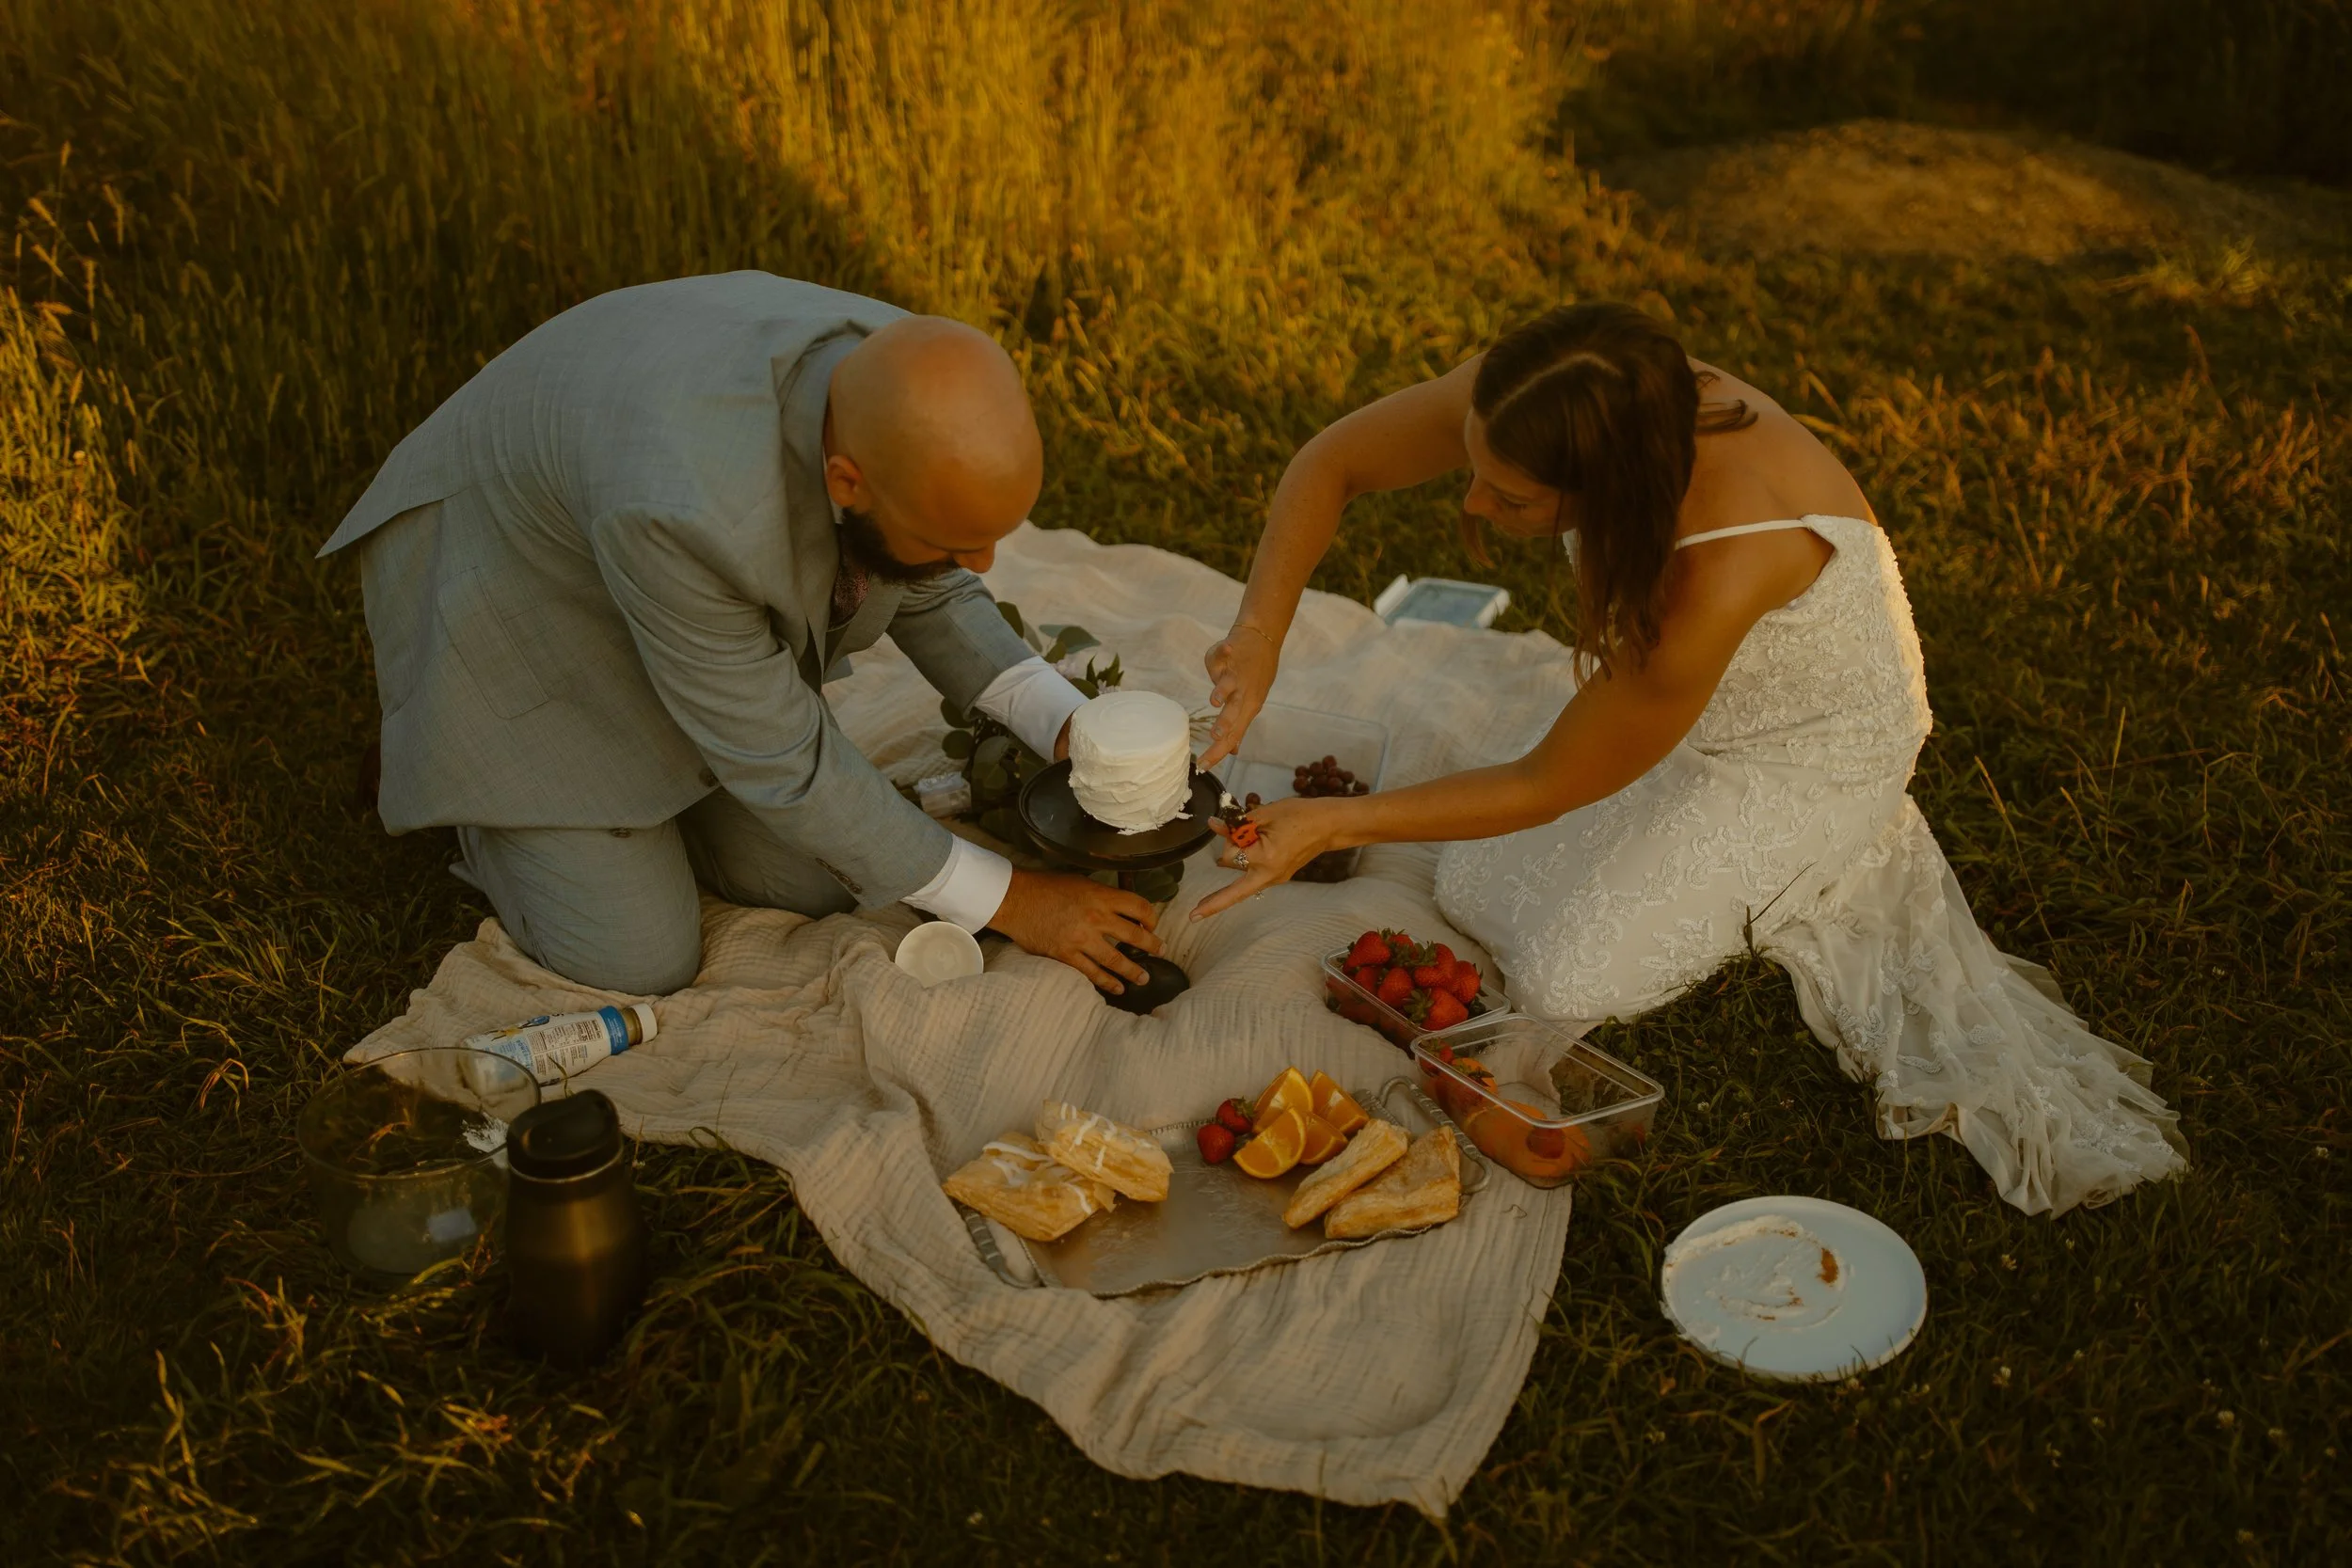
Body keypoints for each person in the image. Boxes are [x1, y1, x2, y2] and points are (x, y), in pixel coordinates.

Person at [1190, 302, 2184, 1213]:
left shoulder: (1720, 562)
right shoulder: (1551, 391)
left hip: (1801, 754)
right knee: (1471, 880)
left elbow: (1547, 783)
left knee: (1565, 966)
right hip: (1668, 705)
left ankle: (1827, 851)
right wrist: (1262, 633)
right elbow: (1332, 463)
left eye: (1512, 495)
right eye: (1475, 465)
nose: (1477, 501)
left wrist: (1338, 819)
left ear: (1611, 489)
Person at [321, 272, 1161, 997]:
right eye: (951, 544)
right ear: (847, 481)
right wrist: (1018, 901)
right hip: (514, 592)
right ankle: (459, 772)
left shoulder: (905, 368)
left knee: (816, 880)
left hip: (641, 563)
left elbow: (932, 592)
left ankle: (660, 785)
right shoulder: (682, 510)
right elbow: (788, 761)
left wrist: (1068, 727)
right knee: (638, 956)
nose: (976, 563)